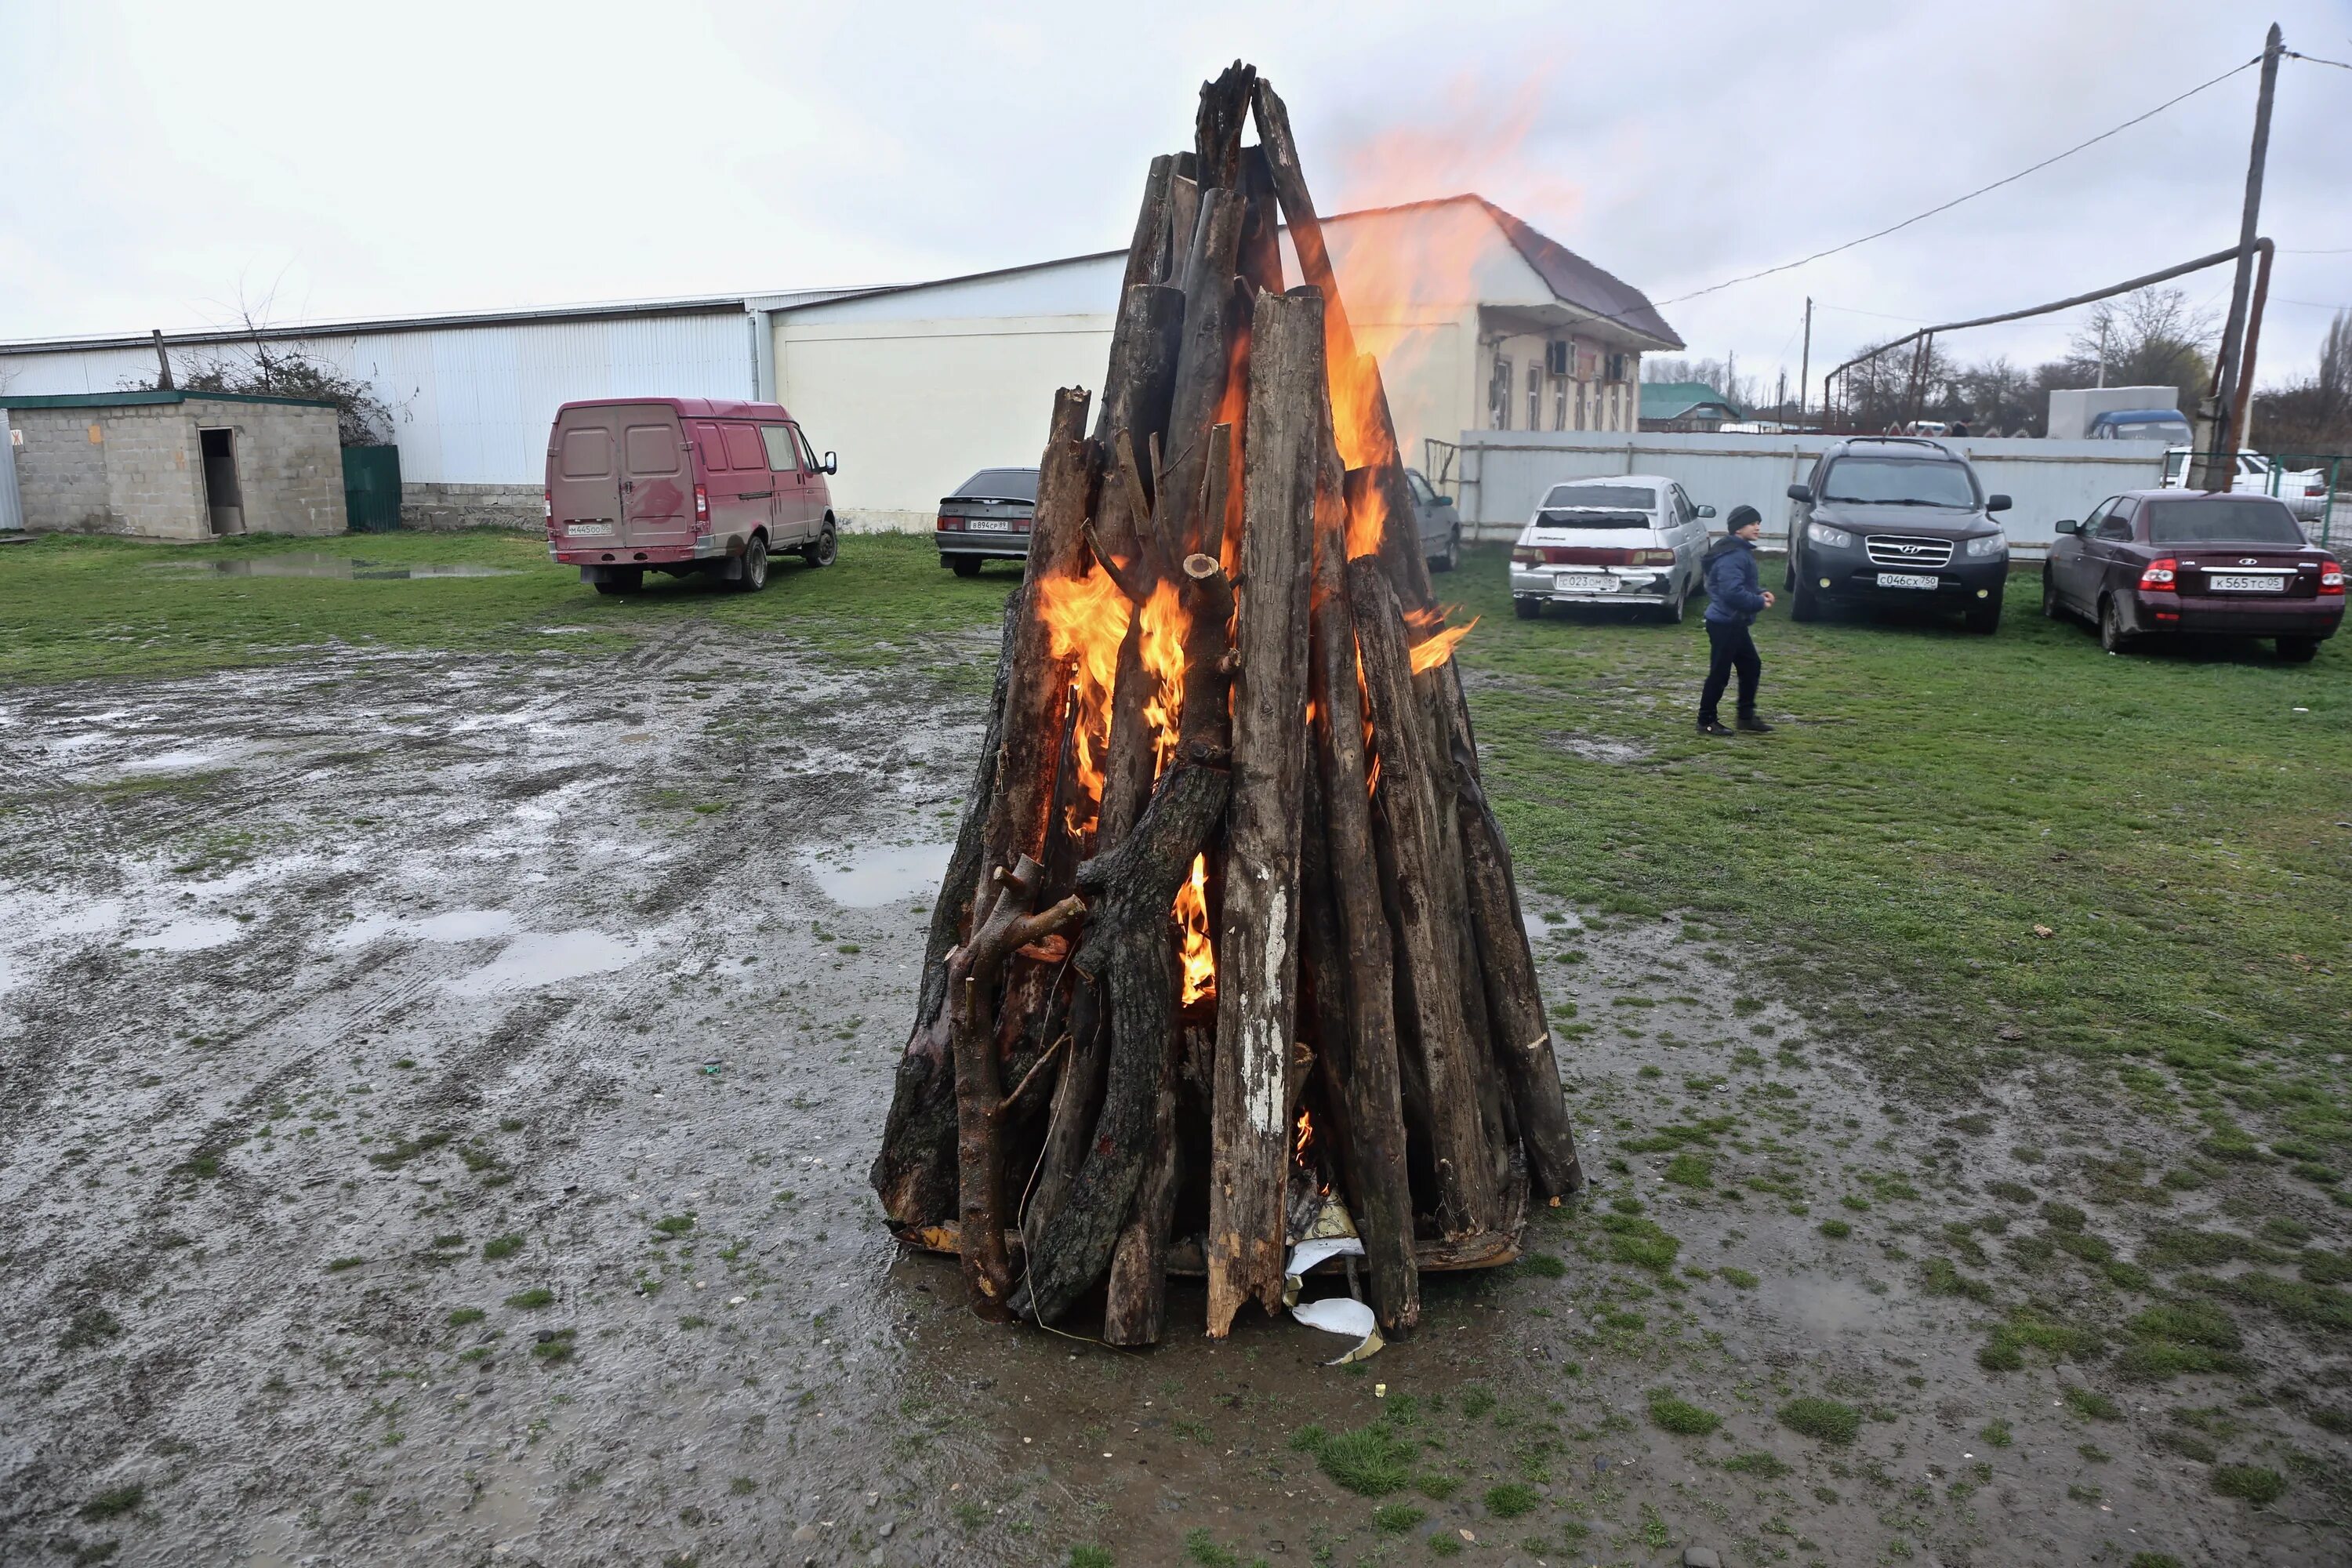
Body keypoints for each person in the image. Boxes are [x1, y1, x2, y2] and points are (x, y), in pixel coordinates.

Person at [1697, 505, 1773, 736]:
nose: (1758, 527)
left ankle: (1745, 717)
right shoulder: (1733, 555)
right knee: (1719, 673)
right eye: (1752, 523)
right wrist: (1759, 602)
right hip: (1725, 622)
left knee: (1751, 665)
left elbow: (1739, 587)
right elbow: (1732, 593)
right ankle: (1706, 721)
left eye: (1758, 523)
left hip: (1733, 622)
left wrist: (1759, 592)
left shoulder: (1737, 551)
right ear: (1739, 529)